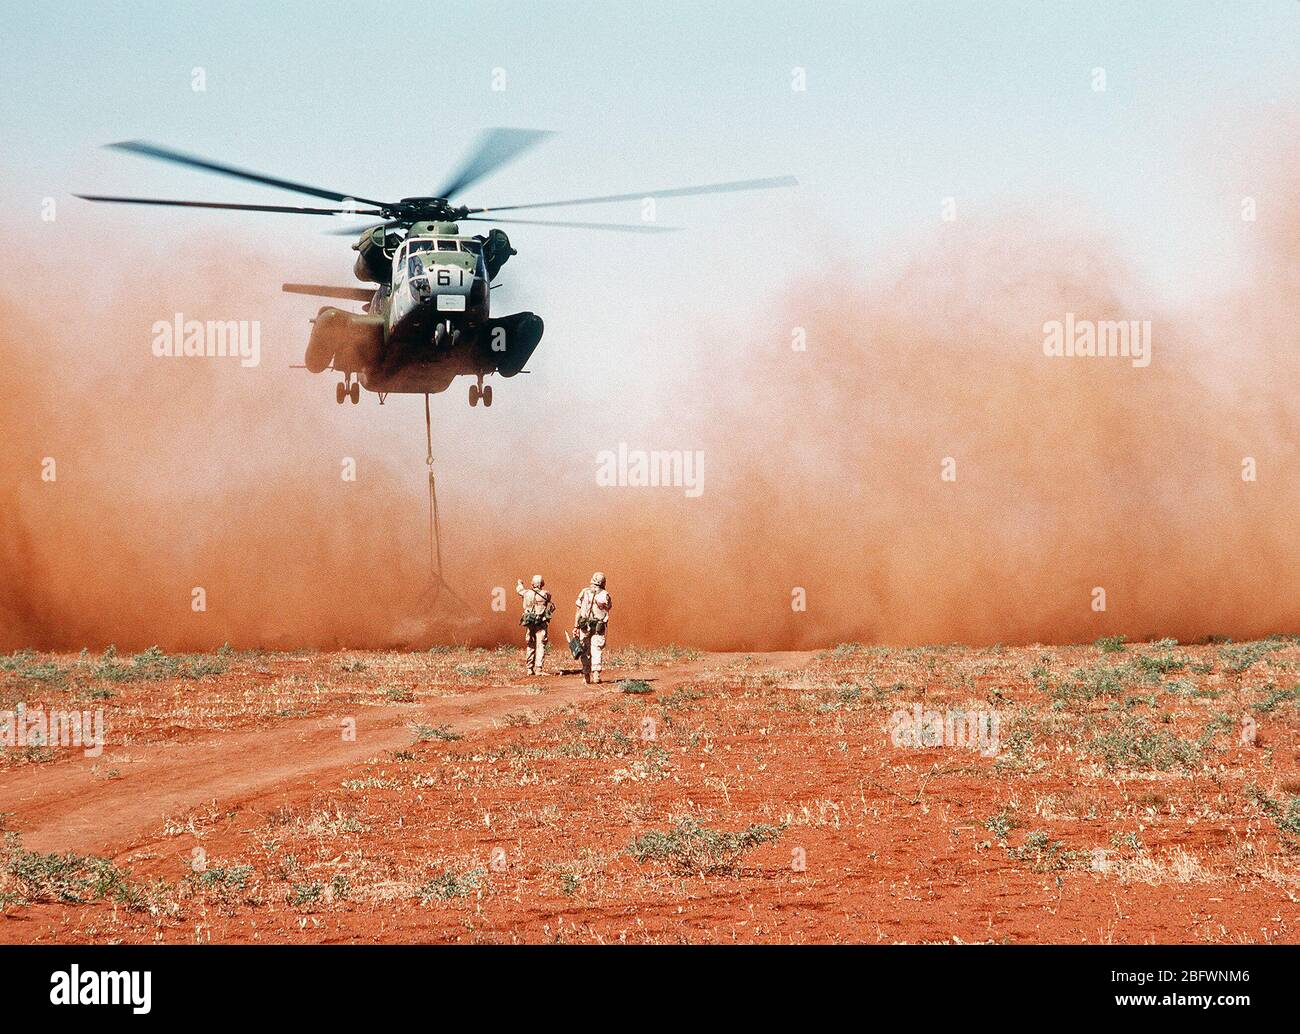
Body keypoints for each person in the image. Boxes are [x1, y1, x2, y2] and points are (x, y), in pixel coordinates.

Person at [573, 572, 613, 684]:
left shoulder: (584, 592)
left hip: (584, 625)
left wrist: (575, 626)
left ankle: (586, 676)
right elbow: (608, 608)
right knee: (597, 649)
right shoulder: (605, 594)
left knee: (584, 650)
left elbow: (578, 611)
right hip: (598, 626)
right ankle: (596, 675)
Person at [515, 575, 554, 676]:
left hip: (529, 622)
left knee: (530, 644)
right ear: (542, 584)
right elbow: (549, 600)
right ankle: (539, 669)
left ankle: (529, 668)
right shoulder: (545, 594)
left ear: (532, 583)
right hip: (540, 623)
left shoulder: (526, 593)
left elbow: (519, 591)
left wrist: (520, 583)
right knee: (540, 645)